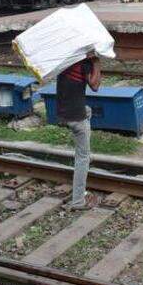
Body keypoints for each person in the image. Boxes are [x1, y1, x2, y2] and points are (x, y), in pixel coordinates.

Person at [57, 54, 102, 210]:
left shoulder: (65, 59)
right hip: (76, 117)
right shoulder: (84, 64)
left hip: (63, 112)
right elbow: (95, 86)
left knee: (87, 110)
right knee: (83, 157)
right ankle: (78, 201)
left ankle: (80, 194)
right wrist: (96, 62)